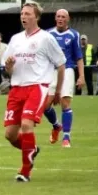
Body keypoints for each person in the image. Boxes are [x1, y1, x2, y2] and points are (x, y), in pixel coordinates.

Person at [1, 2, 66, 182]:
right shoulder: (15, 39)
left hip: (37, 87)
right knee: (10, 134)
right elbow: (7, 70)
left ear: (36, 17)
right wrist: (8, 66)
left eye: (28, 13)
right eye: (22, 13)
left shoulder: (46, 38)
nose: (24, 16)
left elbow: (61, 65)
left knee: (27, 125)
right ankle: (32, 149)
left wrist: (58, 91)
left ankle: (25, 171)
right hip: (16, 89)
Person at [42, 9, 84, 148]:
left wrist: (81, 76)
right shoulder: (47, 34)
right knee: (45, 106)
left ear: (68, 19)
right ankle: (56, 126)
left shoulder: (74, 35)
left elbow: (79, 57)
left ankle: (66, 137)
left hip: (67, 70)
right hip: (50, 72)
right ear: (55, 18)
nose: (60, 19)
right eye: (58, 16)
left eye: (63, 17)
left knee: (65, 103)